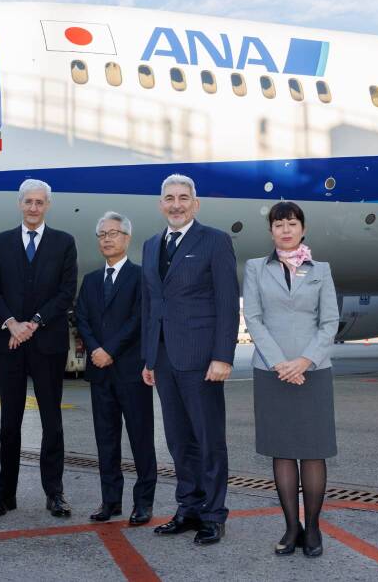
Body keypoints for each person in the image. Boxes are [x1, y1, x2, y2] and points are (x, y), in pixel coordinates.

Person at [141, 174, 238, 546]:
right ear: (160, 204)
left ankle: (213, 515)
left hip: (202, 359)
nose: (176, 204)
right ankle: (189, 507)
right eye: (169, 198)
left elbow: (228, 302)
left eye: (184, 198)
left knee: (208, 439)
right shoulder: (151, 245)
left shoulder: (214, 241)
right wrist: (149, 358)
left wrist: (222, 356)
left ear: (195, 204)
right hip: (164, 359)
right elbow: (151, 305)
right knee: (179, 441)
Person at [243, 201, 339, 558]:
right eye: (279, 224)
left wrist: (304, 361)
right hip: (271, 371)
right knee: (281, 451)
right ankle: (290, 526)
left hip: (313, 370)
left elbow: (329, 322)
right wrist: (281, 363)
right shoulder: (255, 268)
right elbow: (253, 318)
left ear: (303, 228)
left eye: (292, 223)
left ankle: (312, 527)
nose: (285, 229)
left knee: (313, 452)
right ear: (271, 231)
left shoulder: (321, 270)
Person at [0, 179, 78, 518]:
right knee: (10, 422)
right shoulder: (1, 242)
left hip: (47, 343)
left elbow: (67, 292)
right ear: (19, 204)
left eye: (40, 202)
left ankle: (55, 493)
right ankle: (5, 494)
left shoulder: (64, 243)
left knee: (52, 422)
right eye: (29, 202)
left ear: (47, 206)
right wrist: (11, 323)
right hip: (9, 343)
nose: (34, 207)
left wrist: (34, 322)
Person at [74, 212, 156, 526]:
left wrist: (110, 349)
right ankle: (111, 501)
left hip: (132, 372)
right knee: (106, 440)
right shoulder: (92, 280)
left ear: (127, 238)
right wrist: (95, 348)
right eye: (102, 234)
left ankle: (143, 503)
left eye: (114, 233)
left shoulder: (140, 276)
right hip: (100, 373)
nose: (107, 239)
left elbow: (139, 319)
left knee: (140, 439)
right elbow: (81, 316)